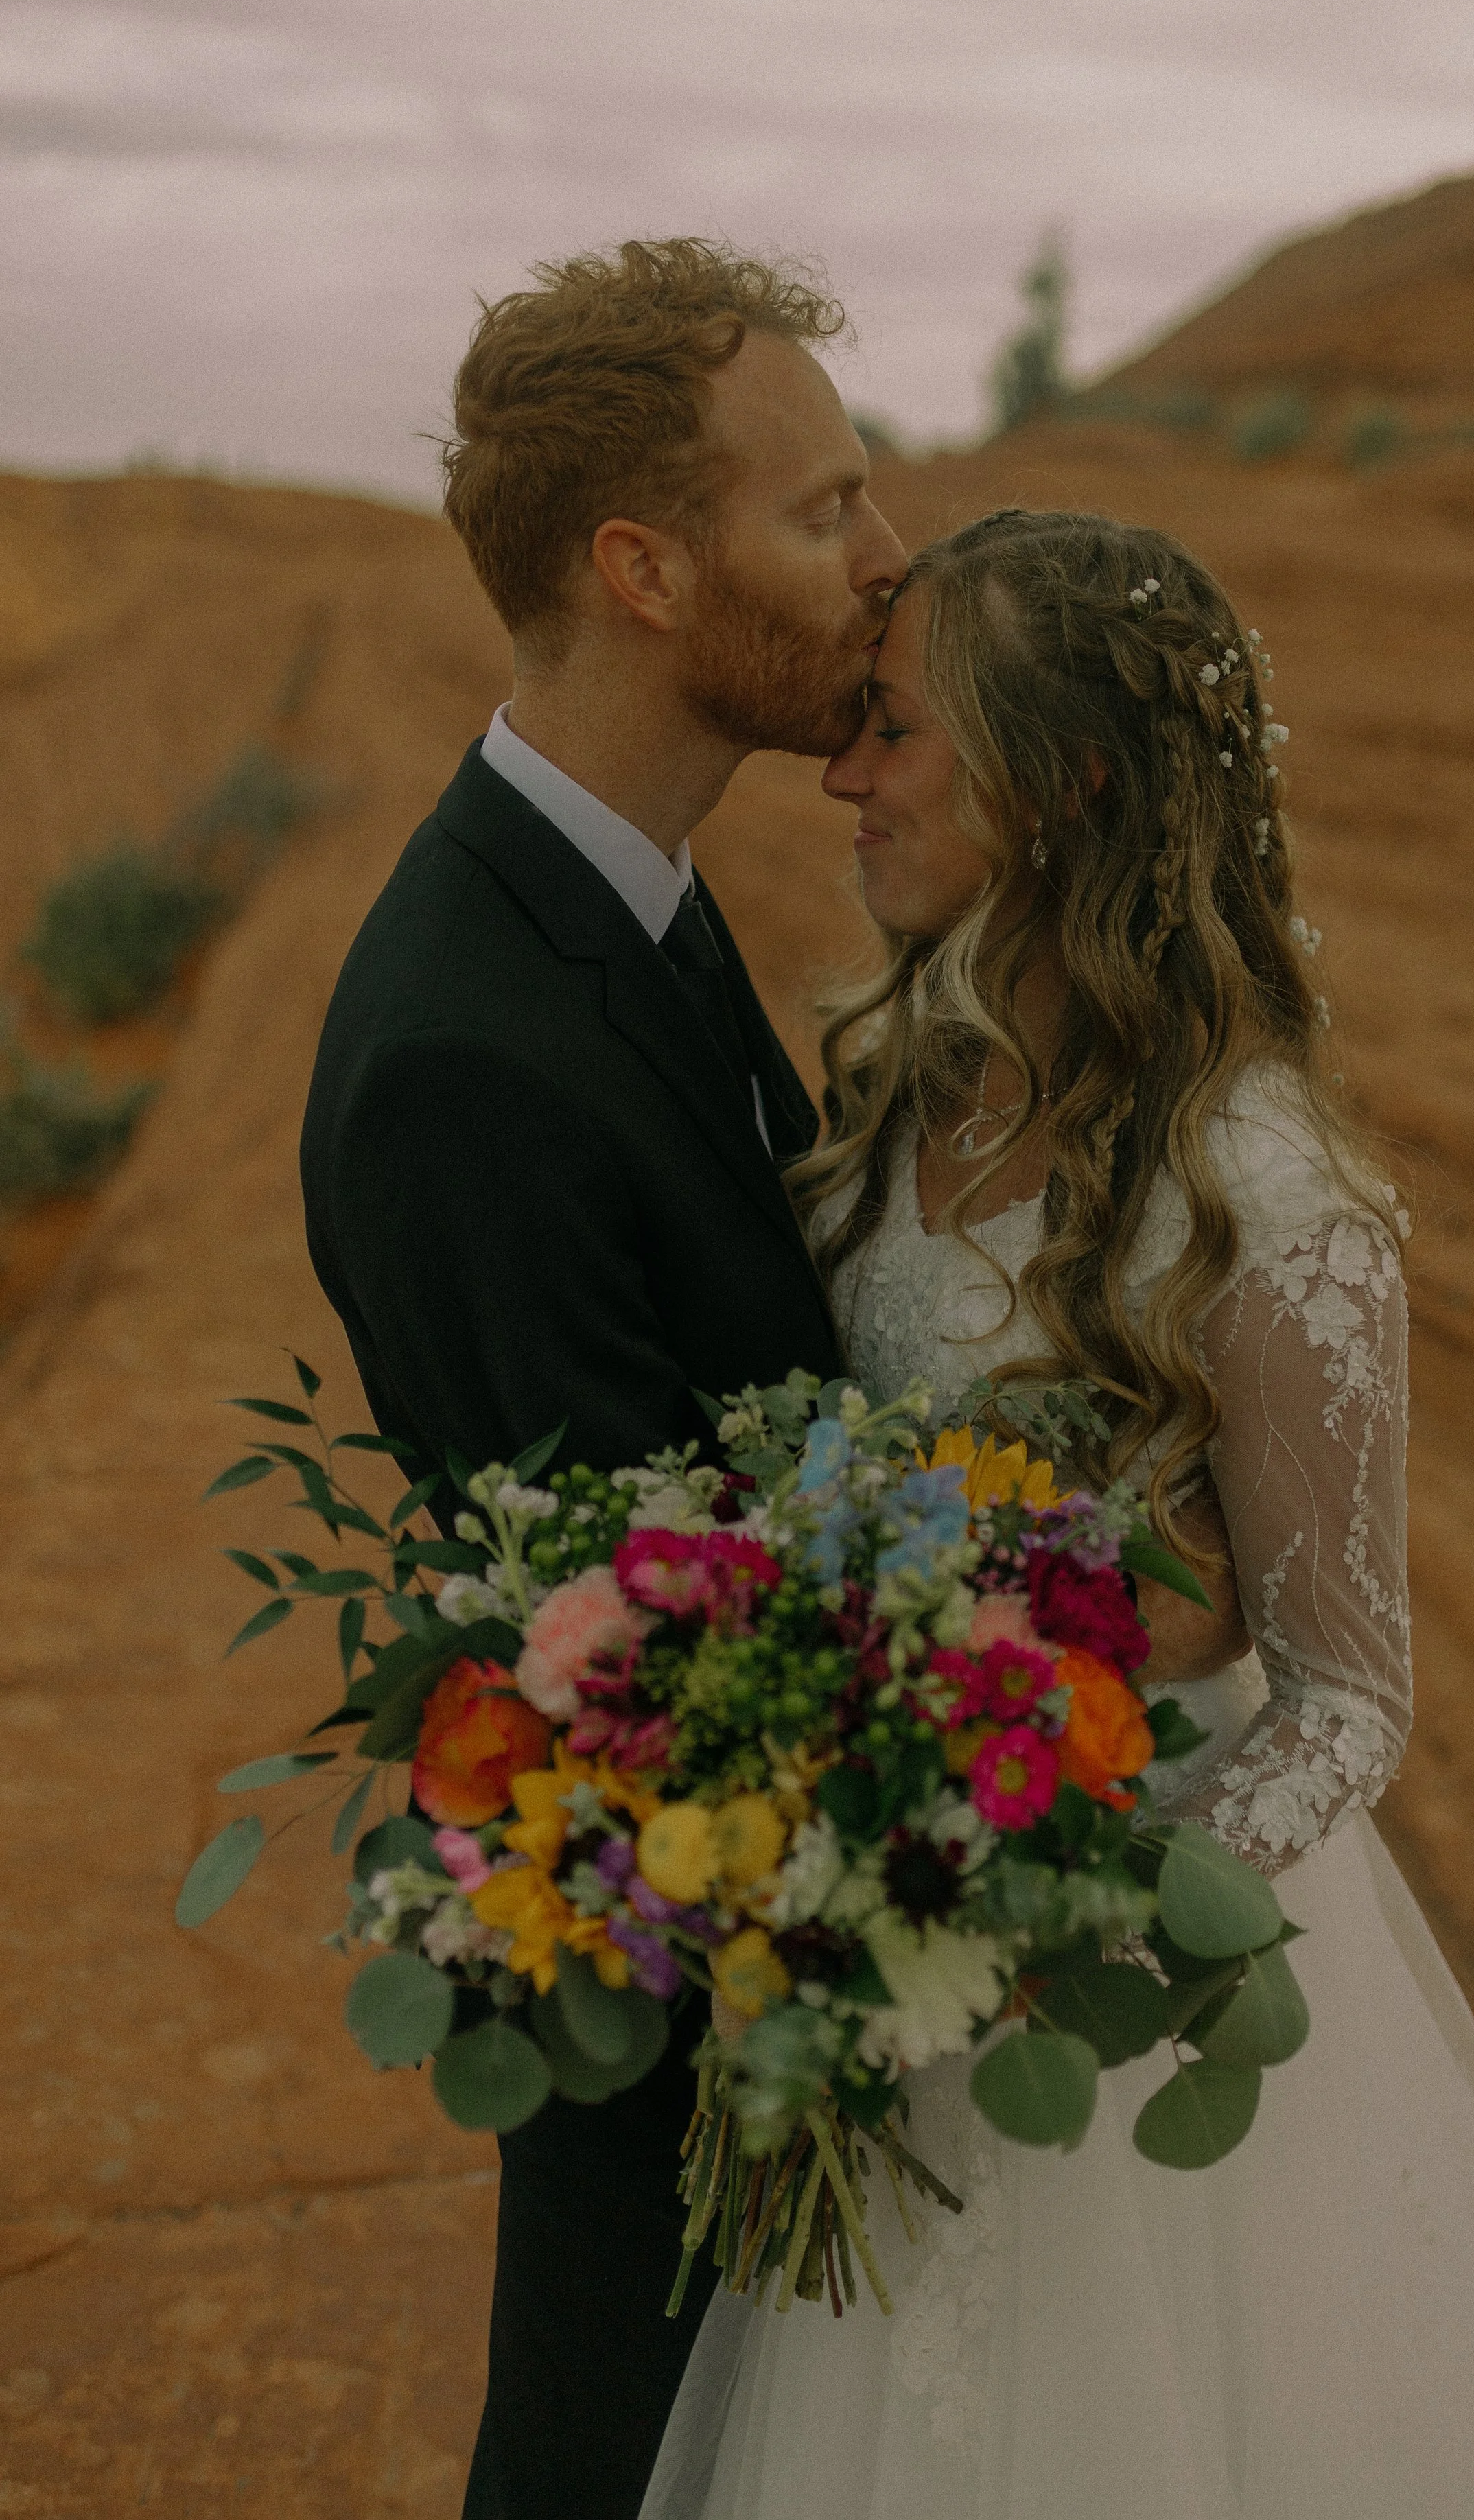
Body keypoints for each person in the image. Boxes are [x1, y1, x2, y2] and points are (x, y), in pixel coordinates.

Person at [640, 509, 1474, 2519]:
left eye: (891, 729)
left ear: (1065, 786)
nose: (840, 774)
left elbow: (1342, 1696)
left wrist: (1076, 1920)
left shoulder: (1262, 1190)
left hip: (1115, 1977)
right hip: (893, 1934)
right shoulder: (894, 1091)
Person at [301, 239, 916, 2520]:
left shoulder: (622, 903)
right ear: (643, 568)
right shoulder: (470, 1048)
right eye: (824, 507)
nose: (882, 559)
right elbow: (639, 1666)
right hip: (683, 2063)